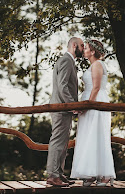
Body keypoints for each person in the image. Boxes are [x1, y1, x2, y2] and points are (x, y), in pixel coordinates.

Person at [70, 39, 116, 187]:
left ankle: (104, 175)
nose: (84, 50)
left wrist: (87, 105)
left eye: (87, 48)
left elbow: (96, 87)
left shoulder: (97, 65)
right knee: (88, 136)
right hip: (89, 101)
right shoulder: (93, 65)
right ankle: (90, 173)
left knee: (97, 135)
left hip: (95, 102)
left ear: (93, 51)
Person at [46, 37, 84, 187]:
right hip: (61, 107)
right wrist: (71, 105)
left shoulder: (69, 61)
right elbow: (62, 86)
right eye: (81, 45)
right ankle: (53, 175)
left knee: (63, 142)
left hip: (64, 108)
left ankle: (59, 174)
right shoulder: (66, 60)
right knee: (57, 140)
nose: (82, 48)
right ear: (74, 45)